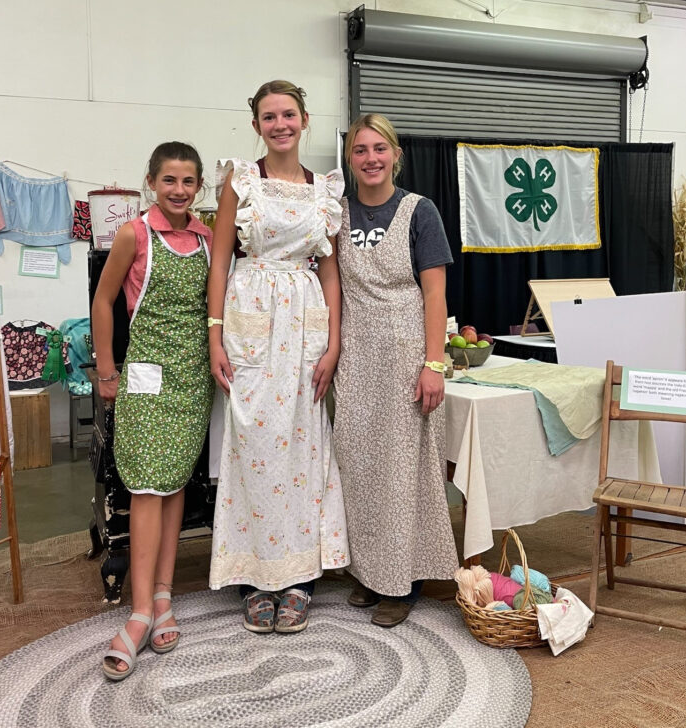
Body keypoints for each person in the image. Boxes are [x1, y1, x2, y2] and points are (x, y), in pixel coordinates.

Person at [207, 80, 350, 633]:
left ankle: (299, 578)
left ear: (305, 119)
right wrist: (215, 334)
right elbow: (220, 260)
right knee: (254, 444)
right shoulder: (240, 181)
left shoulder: (325, 191)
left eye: (288, 114)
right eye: (270, 117)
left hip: (307, 322)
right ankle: (255, 576)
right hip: (251, 317)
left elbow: (330, 271)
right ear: (257, 125)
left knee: (304, 447)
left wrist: (334, 342)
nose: (280, 124)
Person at [92, 142, 214, 679]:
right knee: (145, 485)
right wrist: (106, 369)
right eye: (169, 180)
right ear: (151, 182)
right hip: (143, 377)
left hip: (190, 381)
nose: (179, 190)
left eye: (188, 182)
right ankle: (141, 610)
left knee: (174, 484)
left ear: (199, 188)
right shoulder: (133, 234)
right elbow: (103, 301)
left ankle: (164, 596)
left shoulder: (208, 239)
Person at [334, 114, 459, 628]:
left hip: (407, 355)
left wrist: (433, 363)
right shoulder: (336, 214)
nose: (370, 158)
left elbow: (435, 293)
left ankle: (404, 581)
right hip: (355, 357)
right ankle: (370, 571)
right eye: (360, 150)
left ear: (396, 154)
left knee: (404, 471)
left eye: (379, 148)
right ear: (350, 160)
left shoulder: (419, 212)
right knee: (359, 467)